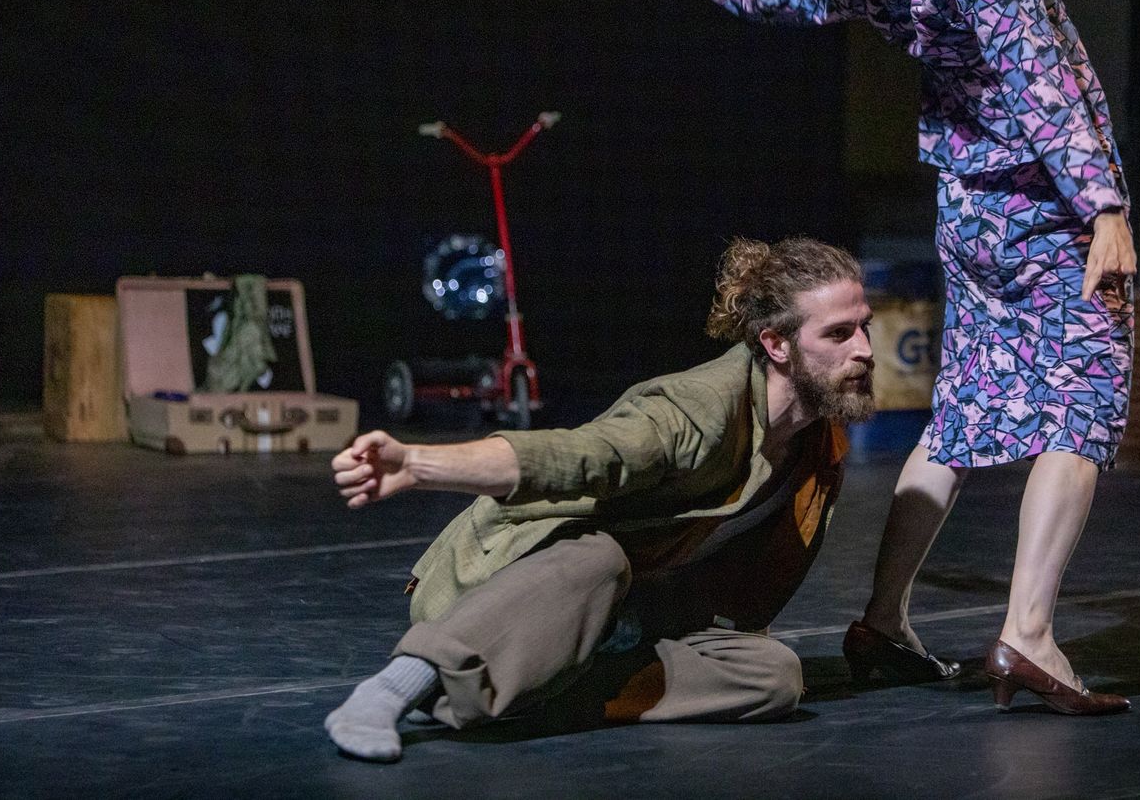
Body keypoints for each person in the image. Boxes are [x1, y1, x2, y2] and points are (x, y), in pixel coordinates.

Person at [617, 0, 1135, 715]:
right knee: (1080, 402)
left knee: (966, 404)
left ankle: (884, 621)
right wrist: (1105, 211)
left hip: (971, 215)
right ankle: (1029, 633)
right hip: (1043, 211)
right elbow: (1045, 91)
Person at [325, 236, 908, 762]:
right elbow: (576, 455)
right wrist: (420, 464)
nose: (864, 349)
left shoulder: (815, 441)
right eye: (838, 333)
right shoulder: (696, 411)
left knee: (773, 675)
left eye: (864, 326)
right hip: (516, 589)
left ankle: (527, 695)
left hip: (626, 617)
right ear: (775, 344)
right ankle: (401, 684)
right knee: (599, 557)